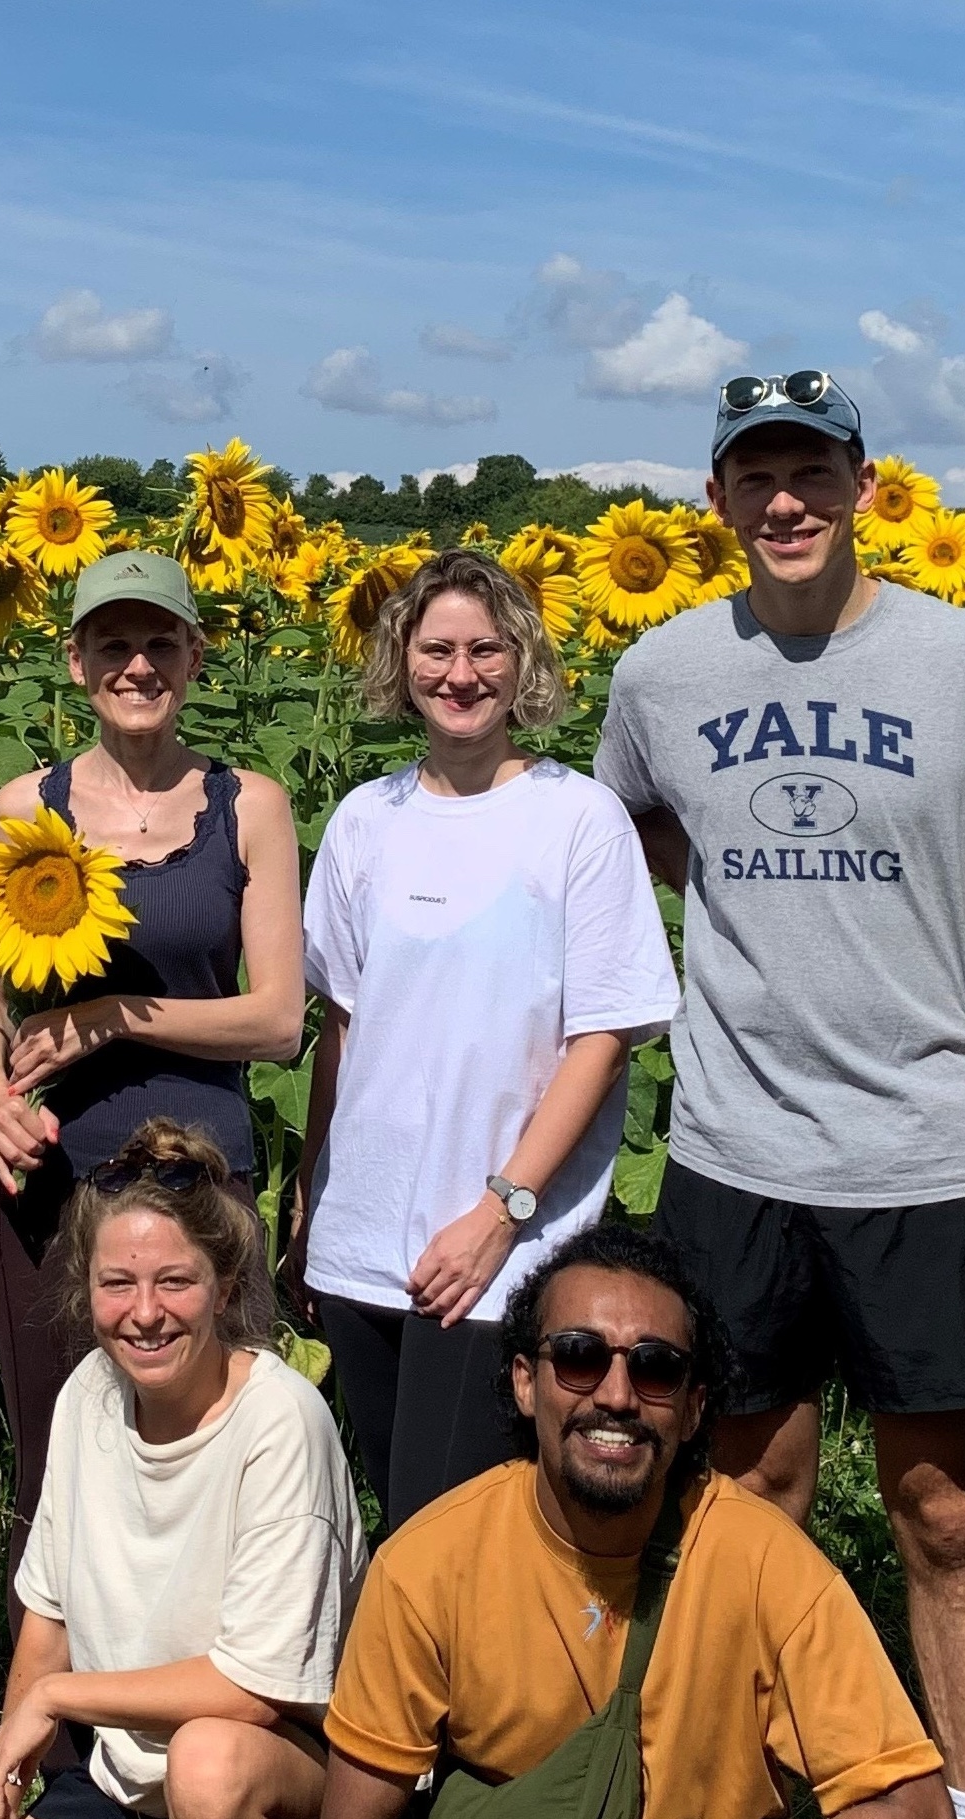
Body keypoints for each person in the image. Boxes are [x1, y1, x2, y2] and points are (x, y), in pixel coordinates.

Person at [591, 370, 965, 1819]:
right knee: (747, 1496)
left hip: (919, 1146)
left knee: (941, 1515)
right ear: (717, 502)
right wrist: (740, 903)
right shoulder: (662, 676)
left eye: (811, 472)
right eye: (755, 476)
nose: (786, 501)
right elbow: (624, 828)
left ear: (866, 487)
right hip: (734, 1145)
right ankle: (741, 1795)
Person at [322, 1222, 954, 1819]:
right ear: (524, 1383)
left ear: (693, 1408)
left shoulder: (765, 1564)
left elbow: (914, 1812)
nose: (617, 1395)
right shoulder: (426, 1566)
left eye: (656, 1369)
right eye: (578, 1356)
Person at [293, 549, 678, 1528]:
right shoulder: (362, 821)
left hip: (500, 1245)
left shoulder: (575, 820)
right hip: (361, 1235)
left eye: (484, 649)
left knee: (451, 1521)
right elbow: (341, 1023)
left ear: (522, 663)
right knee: (396, 1508)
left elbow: (603, 1035)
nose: (458, 674)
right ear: (400, 661)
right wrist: (308, 1195)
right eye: (435, 650)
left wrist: (502, 1208)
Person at [0, 549, 305, 1602]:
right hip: (51, 1174)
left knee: (204, 1461)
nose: (138, 663)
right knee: (56, 1460)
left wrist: (114, 1017)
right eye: (112, 643)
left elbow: (278, 1019)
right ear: (75, 662)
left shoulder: (249, 805)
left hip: (201, 1183)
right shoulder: (25, 804)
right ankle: (53, 1719)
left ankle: (203, 1719)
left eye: (160, 641)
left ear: (195, 655)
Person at [0, 1120, 366, 1819]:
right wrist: (13, 1743)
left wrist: (57, 1697)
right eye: (117, 1283)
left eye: (176, 1281)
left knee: (205, 1767)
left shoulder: (280, 1421)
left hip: (282, 1765)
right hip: (128, 1776)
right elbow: (49, 1614)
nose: (146, 1313)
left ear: (223, 1290)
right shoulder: (88, 1395)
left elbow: (254, 1688)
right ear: (86, 1288)